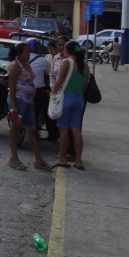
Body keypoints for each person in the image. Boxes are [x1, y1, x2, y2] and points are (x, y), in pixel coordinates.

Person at [6, 41, 54, 172]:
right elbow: (12, 87)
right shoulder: (15, 66)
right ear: (20, 53)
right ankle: (13, 158)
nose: (29, 54)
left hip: (28, 102)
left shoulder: (26, 64)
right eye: (26, 52)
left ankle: (38, 159)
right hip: (18, 100)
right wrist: (14, 106)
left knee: (32, 129)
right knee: (14, 128)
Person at [52, 40, 89, 170]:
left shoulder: (66, 62)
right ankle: (78, 161)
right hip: (79, 99)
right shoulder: (84, 65)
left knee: (63, 131)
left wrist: (52, 93)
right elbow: (86, 84)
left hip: (66, 98)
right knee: (76, 130)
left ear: (67, 50)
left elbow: (59, 81)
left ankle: (62, 158)